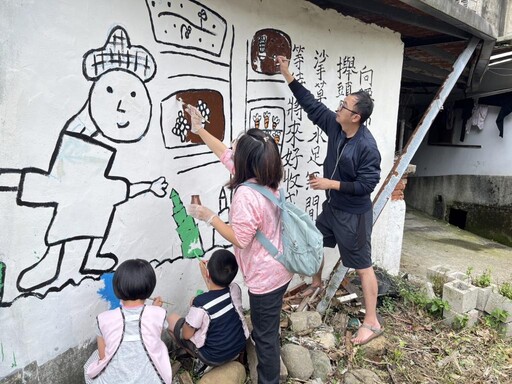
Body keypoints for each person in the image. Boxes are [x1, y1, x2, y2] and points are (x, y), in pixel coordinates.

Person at [276, 56, 383, 345]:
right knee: (314, 240)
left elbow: (367, 185)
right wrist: (288, 74)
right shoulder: (337, 126)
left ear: (356, 116)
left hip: (354, 216)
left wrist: (330, 184)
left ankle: (371, 322)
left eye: (344, 106)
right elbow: (311, 105)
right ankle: (316, 282)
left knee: (362, 266)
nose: (338, 108)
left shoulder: (367, 147)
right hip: (333, 209)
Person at [185, 105, 293, 384]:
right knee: (267, 329)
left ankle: (269, 380)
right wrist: (200, 129)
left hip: (266, 280)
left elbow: (240, 239)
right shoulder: (265, 178)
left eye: (238, 146)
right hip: (280, 269)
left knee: (265, 338)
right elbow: (225, 154)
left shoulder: (246, 194)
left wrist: (208, 216)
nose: (232, 147)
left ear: (247, 162)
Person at [83, 259, 173, 384]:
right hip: (151, 380)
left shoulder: (103, 319)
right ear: (150, 288)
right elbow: (153, 332)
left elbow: (103, 356)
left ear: (117, 288)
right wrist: (155, 309)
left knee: (93, 360)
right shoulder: (159, 314)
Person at [167, 249, 249, 373]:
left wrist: (193, 309)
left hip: (214, 357)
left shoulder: (201, 303)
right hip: (238, 346)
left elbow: (186, 334)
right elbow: (216, 291)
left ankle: (199, 360)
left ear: (208, 274)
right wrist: (207, 274)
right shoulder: (235, 289)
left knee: (172, 320)